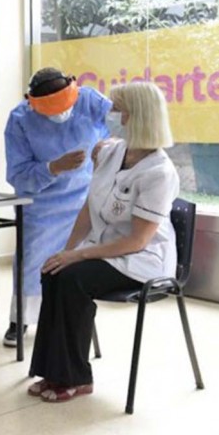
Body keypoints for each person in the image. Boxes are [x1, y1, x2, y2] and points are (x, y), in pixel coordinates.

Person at [27, 82, 178, 403]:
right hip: (104, 248)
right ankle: (51, 371)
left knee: (72, 279)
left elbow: (137, 239)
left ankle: (76, 378)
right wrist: (68, 250)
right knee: (52, 270)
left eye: (119, 110)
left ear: (137, 117)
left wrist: (79, 257)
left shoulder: (159, 173)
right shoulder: (109, 152)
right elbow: (88, 208)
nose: (113, 116)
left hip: (141, 259)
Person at [3, 67, 111, 347]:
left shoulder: (91, 101)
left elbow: (122, 125)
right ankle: (20, 318)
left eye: (64, 105)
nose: (61, 114)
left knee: (77, 263)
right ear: (32, 102)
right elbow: (18, 175)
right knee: (32, 260)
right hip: (42, 205)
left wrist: (109, 146)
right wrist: (53, 167)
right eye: (51, 109)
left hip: (85, 200)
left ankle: (72, 319)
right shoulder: (20, 119)